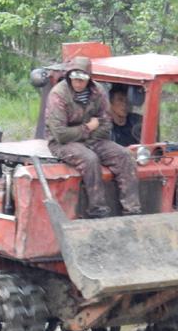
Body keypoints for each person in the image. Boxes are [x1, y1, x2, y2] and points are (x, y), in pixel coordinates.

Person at [44, 56, 141, 218]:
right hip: (62, 143)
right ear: (69, 76)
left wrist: (89, 134)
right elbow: (60, 134)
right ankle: (98, 210)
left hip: (92, 139)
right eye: (74, 77)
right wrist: (87, 128)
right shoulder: (58, 95)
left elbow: (105, 124)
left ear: (89, 78)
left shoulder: (98, 92)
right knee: (90, 159)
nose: (78, 82)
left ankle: (132, 210)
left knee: (125, 155)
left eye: (82, 78)